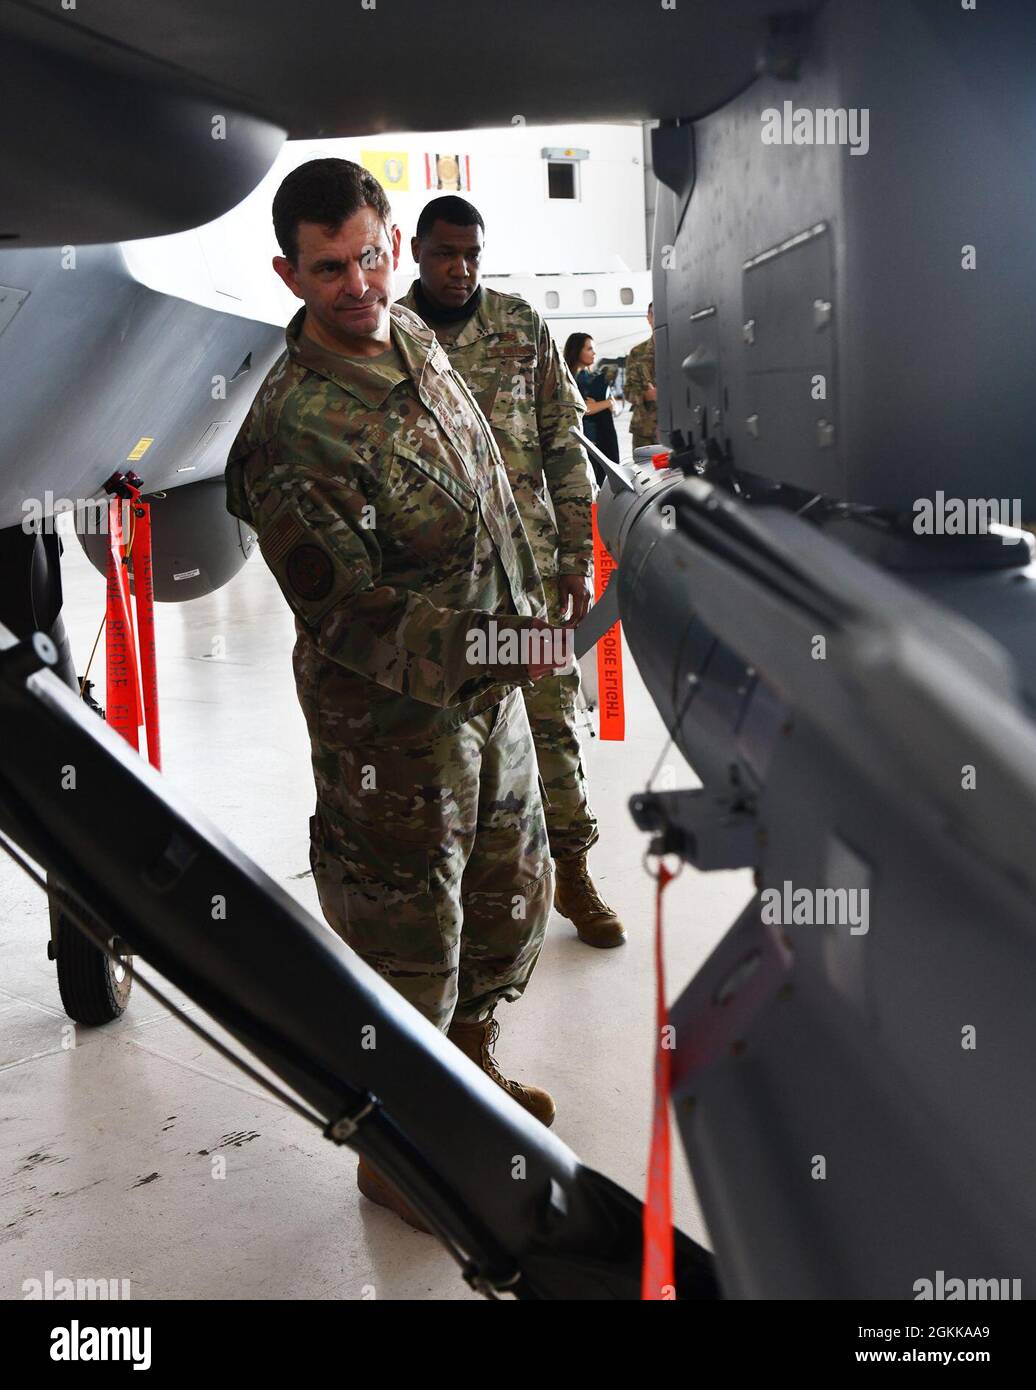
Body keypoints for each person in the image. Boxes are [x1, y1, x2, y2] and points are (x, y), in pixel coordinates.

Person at [224, 159, 568, 1229]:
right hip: (393, 734)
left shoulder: (415, 336)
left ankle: (468, 1078)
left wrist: (535, 599)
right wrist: (504, 642)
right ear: (290, 270)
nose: (359, 282)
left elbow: (487, 488)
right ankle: (398, 1152)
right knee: (408, 936)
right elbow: (354, 616)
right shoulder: (291, 432)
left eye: (370, 254)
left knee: (506, 896)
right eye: (330, 268)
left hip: (489, 698)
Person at [400, 197, 626, 950]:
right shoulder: (392, 339)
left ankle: (574, 872)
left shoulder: (521, 326)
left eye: (471, 254)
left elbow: (564, 442)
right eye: (443, 254)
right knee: (445, 743)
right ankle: (461, 897)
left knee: (552, 727)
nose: (459, 269)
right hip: (439, 594)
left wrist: (573, 559)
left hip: (526, 581)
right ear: (415, 253)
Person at [565, 333, 620, 475]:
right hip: (589, 443)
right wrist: (607, 403)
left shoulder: (591, 378)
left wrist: (607, 404)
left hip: (599, 440)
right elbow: (584, 408)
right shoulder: (571, 379)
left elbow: (614, 407)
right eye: (589, 349)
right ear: (577, 351)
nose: (594, 353)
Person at [625, 302, 658, 451]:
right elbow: (627, 391)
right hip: (645, 430)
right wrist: (645, 396)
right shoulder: (637, 353)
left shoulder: (680, 349)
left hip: (678, 428)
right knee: (644, 472)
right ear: (649, 318)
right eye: (654, 315)